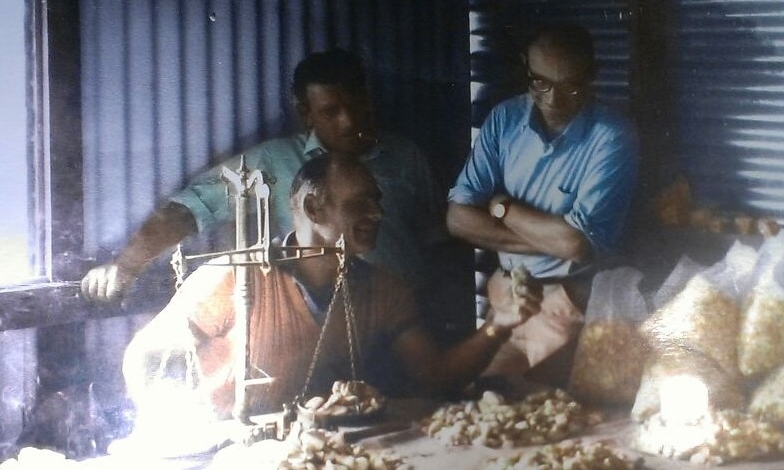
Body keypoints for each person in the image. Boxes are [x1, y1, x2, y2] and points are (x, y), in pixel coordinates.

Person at [122, 153, 541, 417]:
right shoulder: (234, 277)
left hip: (309, 454)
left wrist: (497, 326)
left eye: (378, 201)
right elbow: (142, 358)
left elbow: (433, 377)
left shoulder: (384, 291)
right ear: (311, 207)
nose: (377, 214)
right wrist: (179, 426)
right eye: (361, 203)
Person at [80, 48, 446, 313]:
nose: (348, 122)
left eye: (355, 106)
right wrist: (126, 265)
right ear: (306, 114)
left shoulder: (405, 155)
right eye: (330, 112)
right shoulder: (271, 162)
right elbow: (187, 210)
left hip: (411, 319)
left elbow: (432, 238)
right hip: (333, 325)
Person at [446, 23, 639, 387]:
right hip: (509, 292)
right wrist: (554, 240)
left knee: (537, 409)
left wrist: (502, 207)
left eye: (570, 85)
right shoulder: (505, 119)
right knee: (486, 402)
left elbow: (577, 245)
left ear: (593, 75)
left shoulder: (613, 136)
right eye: (541, 82)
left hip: (570, 299)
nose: (553, 99)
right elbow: (457, 219)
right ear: (526, 68)